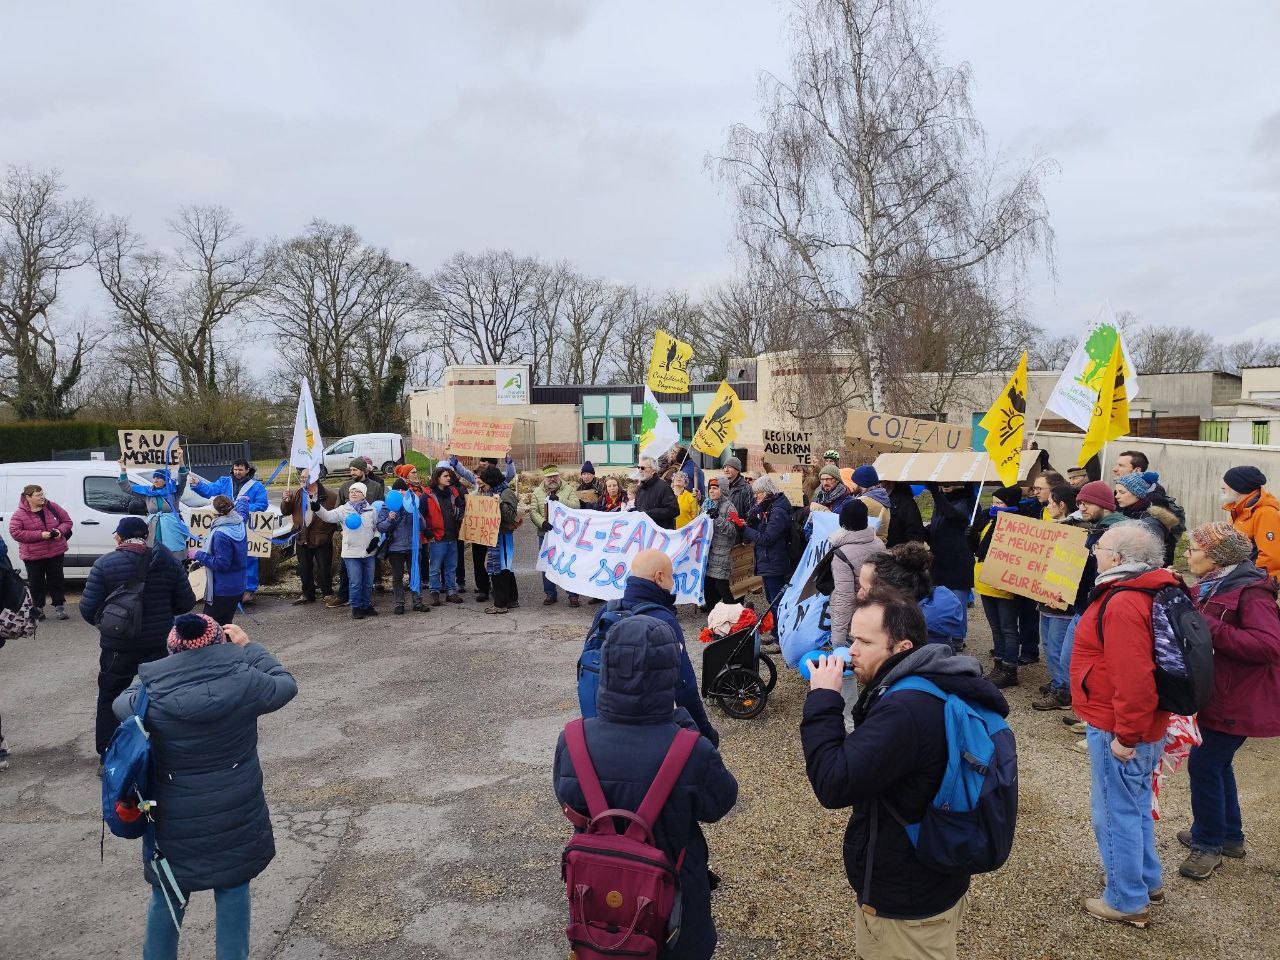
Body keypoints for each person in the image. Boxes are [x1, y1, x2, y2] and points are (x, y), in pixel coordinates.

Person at [801, 591, 1006, 958]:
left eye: (864, 641)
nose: (851, 652)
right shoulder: (936, 678)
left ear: (902, 647)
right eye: (851, 639)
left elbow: (833, 782)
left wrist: (823, 700)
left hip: (906, 899)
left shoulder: (905, 711)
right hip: (937, 874)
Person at [553, 614, 738, 960]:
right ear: (669, 674)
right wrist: (682, 721)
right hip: (675, 900)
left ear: (606, 667)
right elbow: (721, 802)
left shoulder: (573, 740)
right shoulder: (690, 749)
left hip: (599, 898)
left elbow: (569, 802)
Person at [112, 615, 296, 960]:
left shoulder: (150, 695)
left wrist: (166, 668)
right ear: (220, 644)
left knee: (169, 893)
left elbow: (121, 704)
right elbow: (285, 683)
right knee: (233, 886)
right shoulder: (247, 681)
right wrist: (249, 648)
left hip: (172, 818)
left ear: (172, 649)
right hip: (238, 810)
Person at [1072, 521, 1182, 928]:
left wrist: (1125, 735)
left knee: (1114, 810)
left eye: (1098, 546)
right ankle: (1146, 879)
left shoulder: (1123, 601)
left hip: (1120, 724)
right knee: (1134, 804)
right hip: (1144, 722)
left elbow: (1133, 676)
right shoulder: (1156, 589)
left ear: (1116, 558)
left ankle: (1125, 899)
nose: (1093, 552)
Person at [1180, 522, 1280, 880]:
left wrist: (1208, 627)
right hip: (1218, 692)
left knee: (1205, 765)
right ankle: (1230, 835)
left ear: (1217, 556)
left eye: (1193, 550)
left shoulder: (1252, 593)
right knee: (1217, 764)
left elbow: (1269, 646)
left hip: (1238, 697)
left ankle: (1207, 845)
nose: (1187, 556)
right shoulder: (1214, 584)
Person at [79, 516, 196, 764]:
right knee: (160, 694)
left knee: (110, 696)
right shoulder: (167, 562)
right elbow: (185, 603)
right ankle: (162, 750)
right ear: (145, 537)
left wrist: (111, 627)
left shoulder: (104, 564)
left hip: (119, 646)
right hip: (159, 642)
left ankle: (109, 755)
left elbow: (88, 610)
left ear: (119, 537)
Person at [589, 548, 720, 744]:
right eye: (671, 577)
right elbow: (684, 685)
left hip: (605, 727)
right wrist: (706, 734)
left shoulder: (605, 612)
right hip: (650, 730)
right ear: (659, 577)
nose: (673, 583)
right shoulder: (663, 619)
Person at [826, 499, 886, 730]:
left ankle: (850, 721)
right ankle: (877, 711)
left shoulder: (841, 553)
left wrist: (838, 635)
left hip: (854, 617)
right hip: (877, 610)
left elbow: (842, 596)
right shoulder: (878, 543)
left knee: (847, 666)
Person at [1032, 485, 1089, 712]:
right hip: (1046, 599)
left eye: (1050, 502)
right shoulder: (1053, 528)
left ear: (1061, 505)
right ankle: (1058, 682)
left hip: (1063, 603)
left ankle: (1063, 692)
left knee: (1058, 648)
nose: (1047, 506)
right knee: (1048, 644)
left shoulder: (1078, 531)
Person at [189, 459, 269, 606]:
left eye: (240, 469)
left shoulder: (256, 486)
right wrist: (197, 485)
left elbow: (262, 505)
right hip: (226, 525)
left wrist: (243, 506)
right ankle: (230, 589)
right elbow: (210, 491)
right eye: (235, 469)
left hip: (246, 524)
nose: (237, 472)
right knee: (226, 556)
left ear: (247, 470)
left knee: (249, 556)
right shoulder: (224, 482)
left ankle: (249, 590)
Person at [970, 485, 1028, 688]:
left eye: (1000, 503)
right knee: (995, 627)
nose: (995, 506)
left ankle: (1010, 668)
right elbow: (977, 548)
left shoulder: (1018, 524)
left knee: (1008, 628)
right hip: (985, 582)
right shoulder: (988, 519)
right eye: (993, 502)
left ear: (1010, 504)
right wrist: (972, 533)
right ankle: (999, 663)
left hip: (1004, 584)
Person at [858, 543, 966, 650]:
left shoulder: (913, 640)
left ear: (894, 593)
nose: (859, 595)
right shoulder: (924, 624)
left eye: (864, 589)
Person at [735, 476, 793, 649]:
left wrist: (745, 529)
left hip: (775, 560)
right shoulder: (769, 507)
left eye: (758, 494)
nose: (756, 498)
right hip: (769, 560)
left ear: (767, 492)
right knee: (772, 598)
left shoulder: (778, 511)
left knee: (777, 601)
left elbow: (767, 538)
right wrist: (750, 524)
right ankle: (776, 632)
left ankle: (781, 640)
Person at [7, 483, 73, 621]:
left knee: (57, 580)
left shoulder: (52, 507)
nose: (42, 497)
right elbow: (15, 533)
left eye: (42, 494)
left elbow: (67, 521)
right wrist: (40, 535)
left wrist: (59, 531)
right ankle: (38, 609)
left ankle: (59, 607)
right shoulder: (19, 514)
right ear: (28, 497)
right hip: (33, 555)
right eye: (38, 495)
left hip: (55, 551)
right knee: (36, 583)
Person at [315, 481, 379, 619]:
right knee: (355, 582)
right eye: (351, 491)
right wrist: (317, 508)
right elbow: (328, 516)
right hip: (351, 553)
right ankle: (356, 607)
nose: (353, 493)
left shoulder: (372, 510)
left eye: (357, 491)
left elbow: (377, 528)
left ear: (364, 495)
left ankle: (366, 605)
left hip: (369, 553)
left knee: (368, 582)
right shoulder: (343, 509)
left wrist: (376, 539)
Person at [331, 458, 386, 607]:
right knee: (346, 569)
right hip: (350, 537)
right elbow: (338, 510)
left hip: (368, 537)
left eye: (355, 470)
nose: (352, 472)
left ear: (364, 470)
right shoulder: (345, 487)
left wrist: (377, 534)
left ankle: (367, 600)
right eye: (351, 470)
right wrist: (340, 529)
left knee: (370, 572)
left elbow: (381, 509)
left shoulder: (375, 487)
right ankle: (343, 596)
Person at [117, 448, 190, 560]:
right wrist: (123, 469)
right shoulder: (148, 492)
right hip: (153, 530)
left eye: (159, 478)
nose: (155, 480)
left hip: (172, 530)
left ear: (165, 480)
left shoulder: (175, 491)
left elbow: (183, 479)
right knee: (154, 557)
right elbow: (127, 488)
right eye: (154, 477)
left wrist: (181, 460)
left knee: (174, 558)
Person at [280, 470, 338, 606]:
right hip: (302, 536)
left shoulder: (330, 496)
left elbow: (335, 516)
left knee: (324, 568)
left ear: (315, 478)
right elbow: (285, 511)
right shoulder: (297, 493)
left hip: (321, 538)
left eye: (306, 477)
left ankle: (327, 593)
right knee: (304, 568)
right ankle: (307, 594)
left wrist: (330, 533)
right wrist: (286, 501)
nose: (302, 479)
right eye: (301, 477)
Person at [191, 495, 249, 626]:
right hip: (238, 585)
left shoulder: (220, 534)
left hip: (222, 589)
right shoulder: (239, 522)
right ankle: (229, 646)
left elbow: (221, 564)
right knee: (227, 625)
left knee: (209, 628)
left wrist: (198, 554)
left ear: (214, 512)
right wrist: (243, 501)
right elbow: (243, 513)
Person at [925, 482, 975, 629]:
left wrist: (936, 493)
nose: (946, 485)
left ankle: (958, 639)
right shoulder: (941, 502)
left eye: (951, 482)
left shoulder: (967, 500)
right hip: (939, 562)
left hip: (958, 565)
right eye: (943, 482)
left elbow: (952, 514)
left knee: (957, 604)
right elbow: (937, 529)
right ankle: (943, 635)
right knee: (939, 603)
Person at [530, 465, 580, 606]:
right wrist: (542, 523)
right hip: (546, 533)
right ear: (544, 478)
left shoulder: (568, 489)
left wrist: (559, 500)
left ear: (559, 476)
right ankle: (550, 593)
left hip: (565, 534)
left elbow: (576, 506)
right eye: (549, 477)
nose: (552, 479)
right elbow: (533, 511)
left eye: (554, 476)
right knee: (548, 563)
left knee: (569, 562)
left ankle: (573, 594)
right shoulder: (537, 492)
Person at [377, 479, 429, 615]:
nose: (400, 492)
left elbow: (423, 526)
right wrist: (390, 519)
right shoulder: (386, 507)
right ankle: (399, 604)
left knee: (415, 575)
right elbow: (381, 527)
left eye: (403, 490)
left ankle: (418, 602)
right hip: (395, 548)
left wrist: (416, 514)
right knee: (397, 577)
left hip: (413, 547)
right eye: (397, 490)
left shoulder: (412, 504)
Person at [1221, 466, 1280, 581]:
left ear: (1239, 486)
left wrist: (1256, 583)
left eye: (1227, 483)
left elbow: (1271, 557)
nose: (1223, 487)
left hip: (1252, 583)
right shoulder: (1240, 510)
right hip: (1238, 579)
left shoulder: (1265, 513)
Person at [1113, 472, 1181, 565]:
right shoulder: (1127, 513)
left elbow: (1153, 555)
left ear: (1137, 493)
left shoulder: (1151, 520)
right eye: (1116, 492)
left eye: (1122, 492)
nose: (1117, 496)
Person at [480, 465, 521, 615]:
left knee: (501, 569)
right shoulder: (496, 492)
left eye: (485, 482)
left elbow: (510, 516)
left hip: (503, 536)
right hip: (497, 536)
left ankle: (501, 603)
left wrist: (500, 504)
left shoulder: (506, 493)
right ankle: (511, 599)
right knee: (505, 568)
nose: (484, 485)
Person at [423, 465, 467, 606]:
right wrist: (428, 532)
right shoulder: (427, 495)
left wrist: (459, 513)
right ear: (437, 478)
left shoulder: (453, 493)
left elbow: (463, 509)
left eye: (449, 476)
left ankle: (451, 592)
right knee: (435, 567)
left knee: (451, 566)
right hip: (437, 537)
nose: (449, 478)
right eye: (445, 476)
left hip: (452, 536)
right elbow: (421, 516)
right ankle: (435, 592)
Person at [700, 477, 742, 612]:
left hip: (722, 551)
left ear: (722, 489)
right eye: (710, 488)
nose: (711, 491)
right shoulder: (706, 504)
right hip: (707, 550)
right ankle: (712, 607)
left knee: (721, 585)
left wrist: (717, 517)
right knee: (708, 584)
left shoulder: (729, 507)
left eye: (715, 488)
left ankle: (732, 610)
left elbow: (732, 531)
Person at [632, 456, 678, 530]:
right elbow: (639, 508)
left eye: (643, 468)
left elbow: (674, 510)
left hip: (660, 534)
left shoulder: (664, 487)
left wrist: (649, 513)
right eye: (638, 467)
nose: (640, 470)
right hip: (645, 532)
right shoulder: (641, 488)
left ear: (653, 470)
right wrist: (630, 512)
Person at [805, 464, 853, 534]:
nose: (825, 483)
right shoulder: (818, 497)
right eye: (822, 479)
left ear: (837, 479)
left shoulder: (848, 501)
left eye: (828, 479)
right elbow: (810, 523)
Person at [850, 465, 892, 542]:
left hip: (865, 547)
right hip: (880, 545)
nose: (852, 485)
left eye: (854, 482)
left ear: (861, 483)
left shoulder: (861, 502)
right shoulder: (883, 498)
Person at [883, 481, 927, 547]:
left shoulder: (906, 502)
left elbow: (915, 531)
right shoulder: (881, 499)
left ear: (891, 483)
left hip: (899, 551)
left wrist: (907, 553)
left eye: (880, 481)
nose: (878, 485)